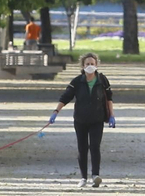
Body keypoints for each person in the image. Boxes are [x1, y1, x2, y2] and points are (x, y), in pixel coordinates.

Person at [49, 52, 115, 187]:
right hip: (80, 120)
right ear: (83, 66)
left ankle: (95, 175)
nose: (90, 66)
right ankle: (83, 177)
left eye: (92, 64)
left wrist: (112, 115)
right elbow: (65, 97)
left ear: (96, 65)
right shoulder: (77, 81)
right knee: (82, 148)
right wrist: (56, 112)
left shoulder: (102, 80)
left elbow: (109, 98)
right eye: (87, 64)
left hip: (97, 119)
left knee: (95, 146)